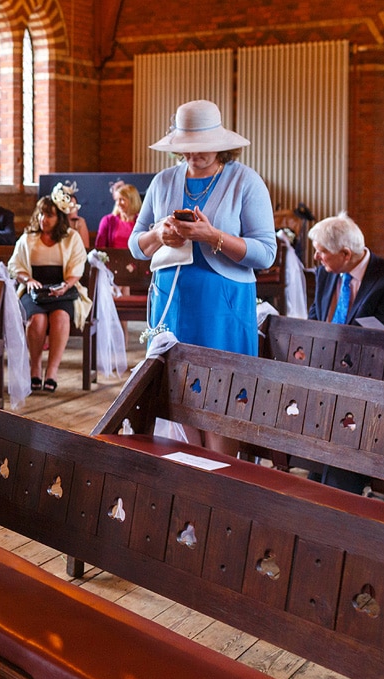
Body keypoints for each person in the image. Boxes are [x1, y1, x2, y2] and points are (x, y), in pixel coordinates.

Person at [128, 99, 275, 452]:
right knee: (176, 403)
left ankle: (221, 489)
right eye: (186, 150)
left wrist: (214, 237)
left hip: (222, 308)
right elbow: (137, 245)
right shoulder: (163, 181)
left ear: (221, 145)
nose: (193, 157)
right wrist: (158, 236)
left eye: (202, 150)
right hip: (171, 305)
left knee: (222, 401)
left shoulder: (245, 181)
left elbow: (265, 253)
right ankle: (184, 487)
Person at [306, 214, 384, 495]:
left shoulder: (382, 278)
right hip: (327, 375)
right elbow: (315, 317)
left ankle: (337, 493)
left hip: (368, 385)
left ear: (346, 254)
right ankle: (317, 483)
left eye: (322, 251)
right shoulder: (326, 274)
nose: (316, 257)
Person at [8, 186, 92, 393]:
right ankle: (35, 367)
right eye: (41, 214)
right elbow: (14, 266)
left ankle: (52, 372)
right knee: (37, 320)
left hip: (62, 291)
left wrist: (66, 285)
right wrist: (27, 279)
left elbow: (77, 267)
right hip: (34, 291)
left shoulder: (71, 237)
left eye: (49, 215)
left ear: (59, 218)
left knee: (61, 318)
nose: (43, 219)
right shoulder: (28, 238)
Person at [95, 182, 141, 249]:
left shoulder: (141, 221)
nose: (118, 203)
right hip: (113, 258)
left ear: (132, 200)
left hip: (136, 258)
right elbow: (100, 247)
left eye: (122, 199)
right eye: (117, 200)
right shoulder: (108, 220)